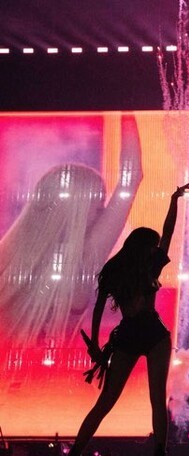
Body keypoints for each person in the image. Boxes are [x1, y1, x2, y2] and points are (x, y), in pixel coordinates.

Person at [58, 182, 189, 456]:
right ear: (146, 246)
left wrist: (95, 343)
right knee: (156, 401)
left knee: (105, 402)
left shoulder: (115, 268)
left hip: (130, 333)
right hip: (152, 333)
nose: (157, 247)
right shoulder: (149, 264)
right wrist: (173, 200)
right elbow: (168, 232)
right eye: (154, 244)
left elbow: (98, 307)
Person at [0, 115, 143, 348]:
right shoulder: (82, 261)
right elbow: (131, 179)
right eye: (98, 207)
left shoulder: (7, 257)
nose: (105, 214)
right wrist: (128, 110)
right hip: (49, 370)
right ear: (76, 213)